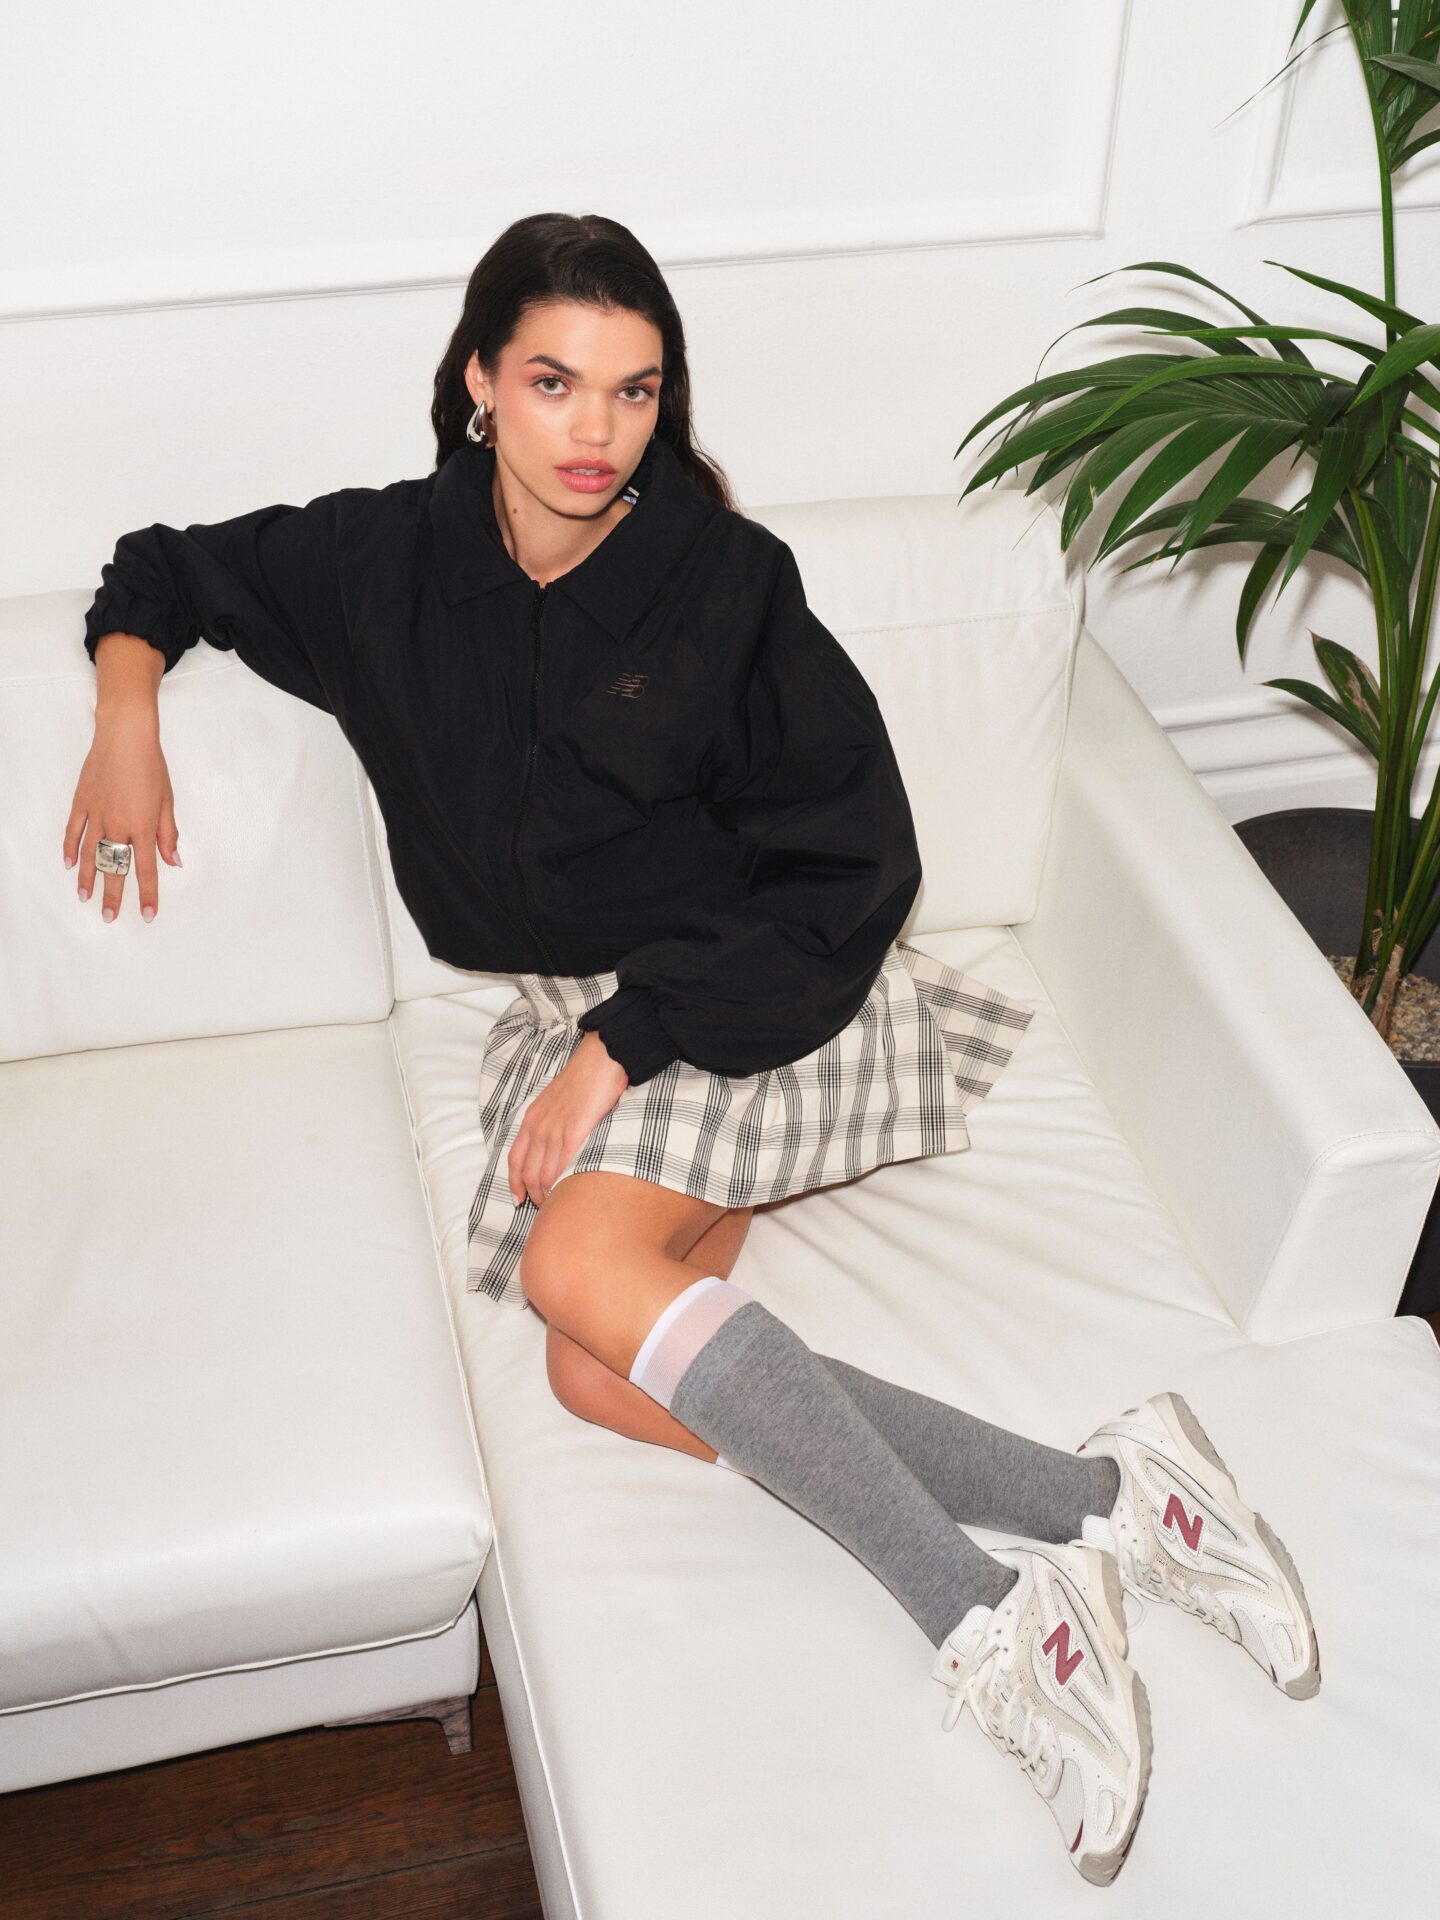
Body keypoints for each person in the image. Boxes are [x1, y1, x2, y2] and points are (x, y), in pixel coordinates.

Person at [68, 211, 1319, 1887]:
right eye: (554, 383)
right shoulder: (380, 569)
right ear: (476, 388)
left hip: (766, 986)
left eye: (636, 391)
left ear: (666, 403)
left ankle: (996, 1617)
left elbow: (854, 860)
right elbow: (163, 564)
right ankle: (1108, 1493)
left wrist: (625, 1042)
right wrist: (128, 712)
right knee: (596, 1368)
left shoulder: (723, 587)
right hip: (595, 1009)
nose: (596, 431)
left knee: (584, 1273)